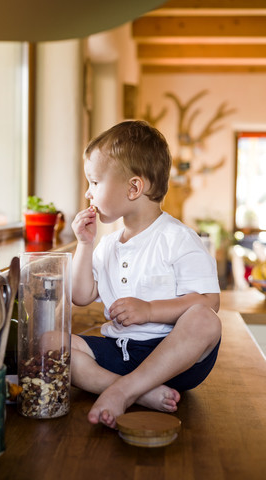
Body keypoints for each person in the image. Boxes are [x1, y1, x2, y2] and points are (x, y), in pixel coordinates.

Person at [70, 120, 221, 429]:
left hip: (174, 358)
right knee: (50, 345)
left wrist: (150, 310)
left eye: (95, 182)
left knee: (206, 320)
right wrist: (84, 245)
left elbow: (209, 300)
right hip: (121, 351)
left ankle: (124, 390)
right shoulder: (108, 245)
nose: (88, 192)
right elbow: (81, 296)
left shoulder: (177, 238)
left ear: (134, 187)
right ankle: (141, 392)